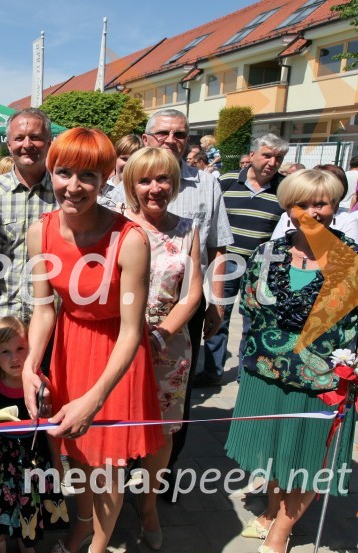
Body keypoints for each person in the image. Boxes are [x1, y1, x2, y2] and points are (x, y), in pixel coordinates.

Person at [225, 169, 358, 553]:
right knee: (270, 453)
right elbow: (251, 311)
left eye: (320, 203)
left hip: (320, 383)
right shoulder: (267, 254)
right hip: (265, 376)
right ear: (288, 207)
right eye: (301, 203)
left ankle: (280, 534)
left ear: (335, 206)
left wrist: (343, 358)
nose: (311, 211)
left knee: (307, 462)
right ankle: (272, 510)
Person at [21, 127, 163, 553]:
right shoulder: (39, 232)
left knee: (109, 467)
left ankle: (98, 546)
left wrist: (96, 397)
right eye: (64, 172)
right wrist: (32, 365)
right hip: (68, 347)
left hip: (116, 357)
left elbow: (132, 330)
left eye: (88, 176)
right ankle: (83, 526)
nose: (74, 186)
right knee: (77, 458)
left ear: (106, 180)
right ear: (51, 172)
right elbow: (45, 309)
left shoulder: (131, 239)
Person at [138, 108, 232, 476]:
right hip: (133, 311)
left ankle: (164, 476)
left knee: (176, 397)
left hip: (185, 308)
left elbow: (218, 247)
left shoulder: (206, 184)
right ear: (147, 138)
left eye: (180, 134)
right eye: (163, 133)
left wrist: (218, 303)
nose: (171, 140)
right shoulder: (126, 180)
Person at [119, 147, 202, 549]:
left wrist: (160, 335)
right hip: (117, 341)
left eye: (163, 179)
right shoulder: (114, 223)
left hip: (168, 345)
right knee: (114, 425)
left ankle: (148, 505)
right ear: (131, 184)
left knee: (162, 430)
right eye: (145, 180)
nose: (155, 189)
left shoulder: (188, 228)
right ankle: (108, 503)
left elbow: (192, 294)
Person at [198, 133, 288, 387]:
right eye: (267, 155)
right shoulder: (226, 181)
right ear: (251, 156)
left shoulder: (285, 189)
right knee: (218, 316)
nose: (272, 162)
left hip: (263, 266)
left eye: (278, 158)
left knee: (253, 321)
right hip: (226, 262)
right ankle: (212, 371)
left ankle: (245, 376)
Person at [0, 316, 68, 553]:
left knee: (28, 501)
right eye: (4, 351)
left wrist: (57, 460)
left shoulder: (41, 385)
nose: (14, 357)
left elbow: (49, 426)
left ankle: (26, 540)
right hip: (0, 457)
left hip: (32, 455)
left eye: (20, 349)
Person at [0, 108, 56, 324]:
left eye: (36, 137)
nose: (27, 145)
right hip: (0, 315)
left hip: (52, 321)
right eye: (19, 138)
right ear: (9, 144)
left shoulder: (64, 193)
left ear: (49, 143)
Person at [100, 133, 141, 209]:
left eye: (134, 160)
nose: (129, 165)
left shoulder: (141, 193)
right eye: (124, 159)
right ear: (115, 158)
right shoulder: (102, 188)